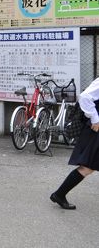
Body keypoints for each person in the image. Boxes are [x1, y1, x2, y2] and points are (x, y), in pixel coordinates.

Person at [50, 77, 99, 210]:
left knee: (89, 166)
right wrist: (95, 119)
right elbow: (84, 97)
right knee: (88, 166)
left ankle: (59, 194)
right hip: (96, 129)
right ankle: (59, 194)